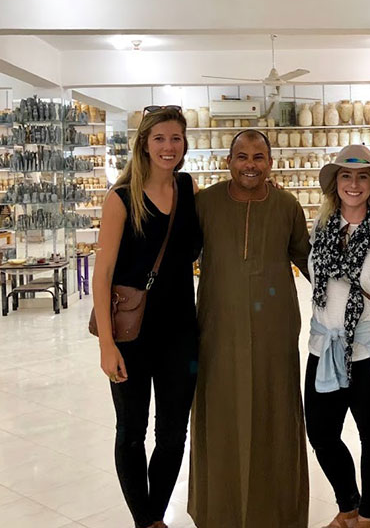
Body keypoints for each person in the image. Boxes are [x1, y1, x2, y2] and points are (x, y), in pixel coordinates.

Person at [188, 129, 311, 528]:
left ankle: (276, 511)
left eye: (259, 157)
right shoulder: (205, 204)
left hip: (275, 333)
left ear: (271, 163)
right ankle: (218, 510)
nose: (250, 165)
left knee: (275, 413)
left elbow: (310, 263)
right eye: (242, 157)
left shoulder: (287, 206)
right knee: (220, 415)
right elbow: (175, 257)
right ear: (228, 162)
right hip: (217, 332)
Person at [92, 105, 201, 528]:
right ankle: (146, 520)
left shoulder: (188, 190)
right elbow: (102, 276)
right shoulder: (120, 199)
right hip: (131, 336)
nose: (168, 147)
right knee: (131, 432)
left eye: (175, 138)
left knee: (174, 433)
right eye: (159, 139)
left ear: (185, 143)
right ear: (144, 143)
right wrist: (106, 344)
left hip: (180, 334)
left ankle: (154, 516)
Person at [306, 145, 370, 528]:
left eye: (362, 177)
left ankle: (368, 516)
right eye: (346, 177)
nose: (353, 184)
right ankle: (347, 505)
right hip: (324, 348)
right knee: (320, 433)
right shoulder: (319, 231)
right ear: (335, 185)